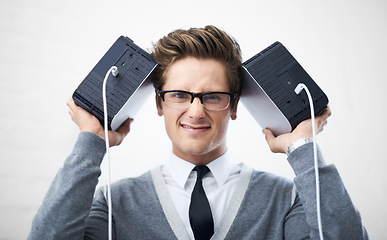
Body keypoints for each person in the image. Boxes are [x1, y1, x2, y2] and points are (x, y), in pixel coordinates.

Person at [28, 25, 368, 240]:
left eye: (212, 97)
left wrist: (303, 148)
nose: (195, 110)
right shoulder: (116, 203)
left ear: (234, 106)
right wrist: (91, 143)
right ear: (159, 104)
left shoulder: (284, 201)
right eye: (179, 95)